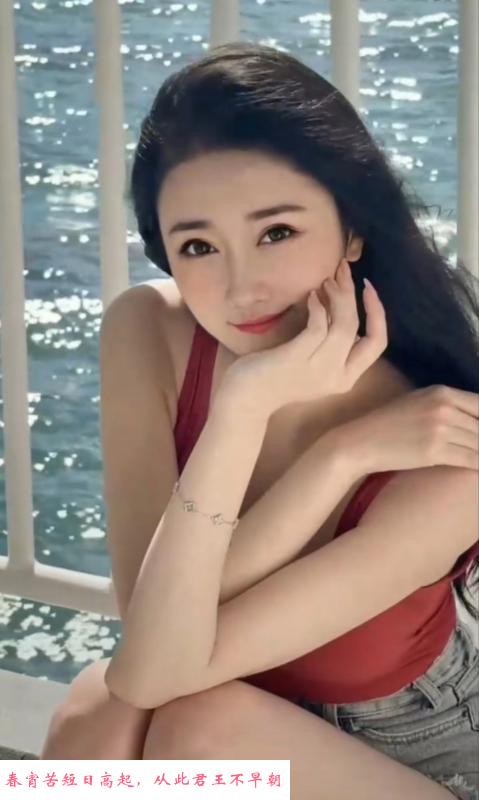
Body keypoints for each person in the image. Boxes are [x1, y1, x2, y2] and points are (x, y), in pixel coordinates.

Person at [41, 42, 479, 799]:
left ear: (351, 228)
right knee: (98, 717)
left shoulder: (445, 447)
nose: (241, 288)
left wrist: (336, 448)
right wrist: (299, 440)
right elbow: (147, 638)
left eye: (277, 232)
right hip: (221, 712)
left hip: (421, 760)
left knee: (195, 732)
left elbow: (149, 669)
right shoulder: (149, 332)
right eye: (198, 246)